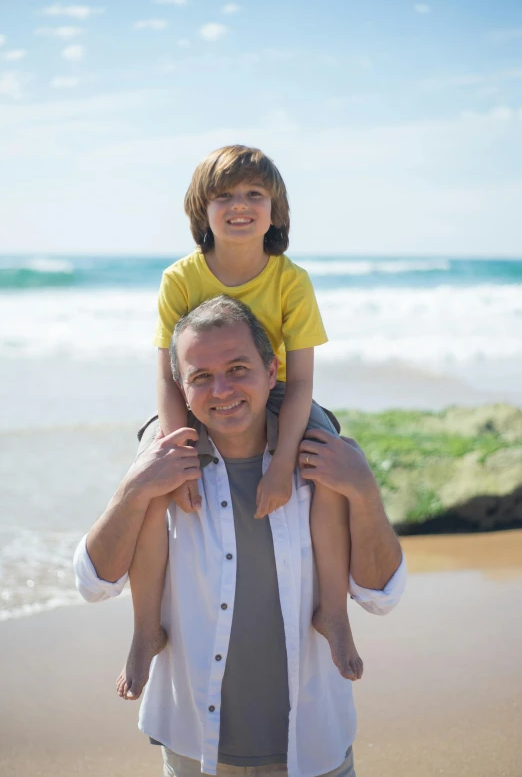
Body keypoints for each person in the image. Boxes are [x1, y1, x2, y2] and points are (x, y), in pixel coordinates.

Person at [74, 295, 406, 777]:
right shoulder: (166, 469)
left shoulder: (321, 460)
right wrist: (133, 489)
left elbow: (381, 596)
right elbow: (93, 584)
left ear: (273, 371)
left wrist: (365, 490)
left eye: (237, 368)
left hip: (313, 744)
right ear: (181, 390)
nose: (221, 389)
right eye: (201, 376)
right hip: (195, 747)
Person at [121, 144, 363, 701]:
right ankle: (143, 630)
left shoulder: (290, 280)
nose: (240, 206)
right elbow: (166, 376)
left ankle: (333, 612)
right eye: (224, 195)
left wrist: (282, 464)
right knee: (152, 475)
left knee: (326, 458)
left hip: (273, 392)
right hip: (197, 394)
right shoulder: (180, 278)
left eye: (255, 194)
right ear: (200, 210)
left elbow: (300, 382)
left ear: (275, 209)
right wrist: (178, 451)